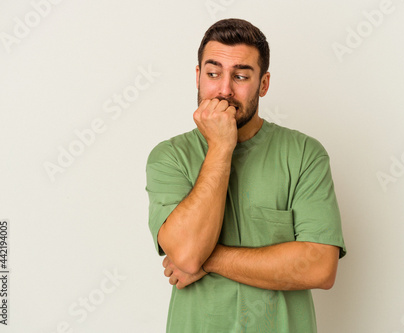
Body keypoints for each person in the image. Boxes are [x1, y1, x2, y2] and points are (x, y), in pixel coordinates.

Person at [146, 18, 346, 333]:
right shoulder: (169, 156)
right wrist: (221, 147)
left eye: (240, 76)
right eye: (213, 74)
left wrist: (207, 259)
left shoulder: (305, 154)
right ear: (198, 77)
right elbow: (185, 253)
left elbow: (320, 267)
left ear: (263, 84)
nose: (224, 90)